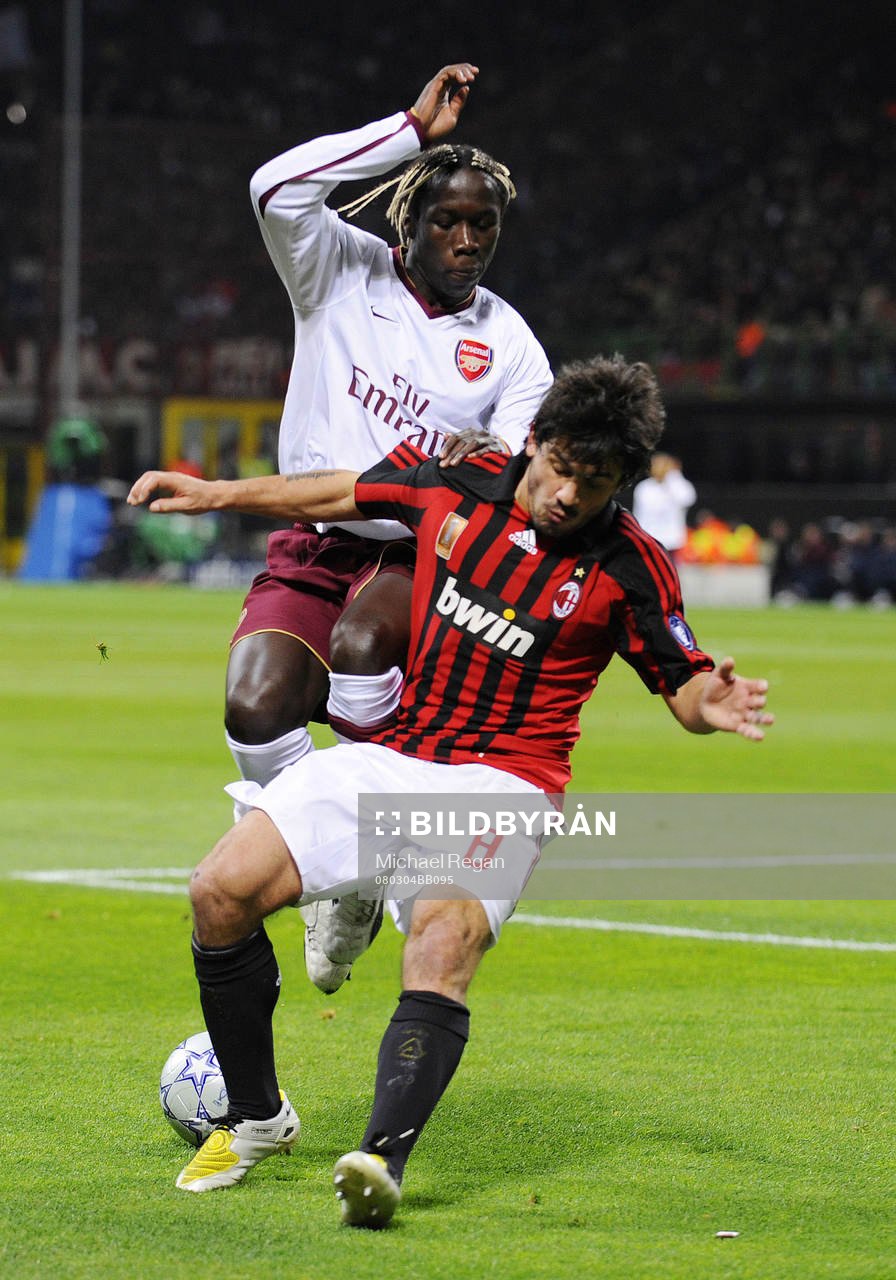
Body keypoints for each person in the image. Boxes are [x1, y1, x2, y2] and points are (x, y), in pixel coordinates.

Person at [128, 355, 773, 1229]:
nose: (569, 497)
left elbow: (683, 680)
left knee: (441, 938)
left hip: (503, 783)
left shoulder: (629, 565)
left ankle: (379, 1163)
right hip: (393, 753)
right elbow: (332, 493)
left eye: (597, 483)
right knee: (219, 891)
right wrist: (211, 495)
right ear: (536, 443)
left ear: (621, 484)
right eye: (562, 470)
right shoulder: (454, 478)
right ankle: (258, 1118)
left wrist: (713, 703)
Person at [228, 62, 553, 992]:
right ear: (401, 221)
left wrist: (468, 482)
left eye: (482, 225)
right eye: (445, 220)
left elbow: (519, 474)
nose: (464, 240)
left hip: (418, 549)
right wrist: (409, 129)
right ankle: (354, 875)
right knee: (254, 707)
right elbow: (275, 187)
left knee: (368, 644)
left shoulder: (512, 342)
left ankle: (354, 855)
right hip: (311, 532)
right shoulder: (335, 269)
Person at [631, 452, 696, 560]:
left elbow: (688, 499)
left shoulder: (677, 485)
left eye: (663, 465)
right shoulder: (644, 488)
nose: (659, 468)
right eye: (656, 465)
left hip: (671, 541)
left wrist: (674, 477)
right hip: (649, 539)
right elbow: (638, 514)